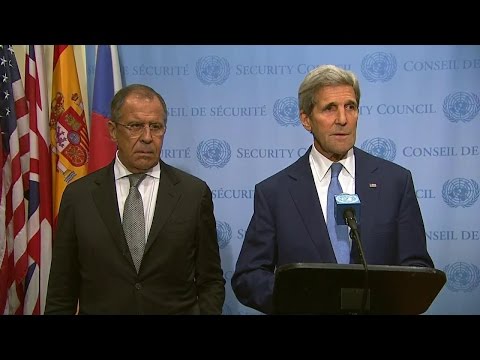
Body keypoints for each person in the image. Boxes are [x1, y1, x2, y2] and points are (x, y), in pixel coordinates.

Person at [231, 65, 434, 314]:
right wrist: (301, 299)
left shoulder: (395, 182)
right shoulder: (275, 192)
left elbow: (418, 267)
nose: (342, 119)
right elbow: (248, 276)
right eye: (330, 108)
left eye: (350, 107)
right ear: (306, 119)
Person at [45, 84, 225, 314]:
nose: (147, 137)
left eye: (156, 127)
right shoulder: (79, 197)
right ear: (112, 130)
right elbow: (62, 291)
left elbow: (210, 281)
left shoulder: (193, 194)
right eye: (135, 126)